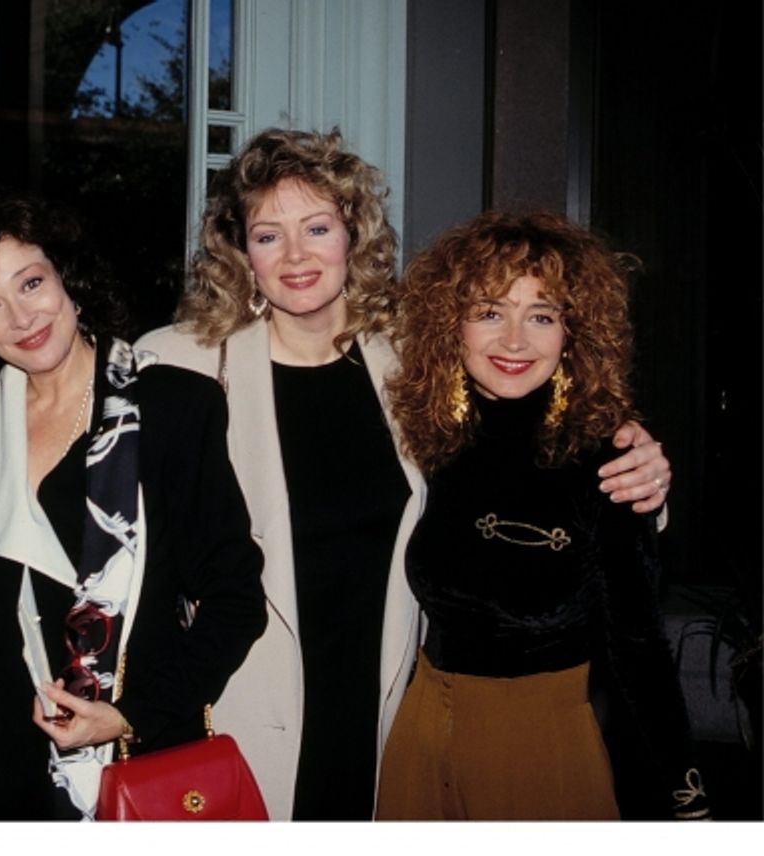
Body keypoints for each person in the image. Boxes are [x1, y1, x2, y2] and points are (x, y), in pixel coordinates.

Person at [135, 128, 674, 820]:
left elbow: (534, 441)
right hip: (238, 702)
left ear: (352, 235)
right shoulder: (180, 364)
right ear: (241, 251)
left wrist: (641, 473)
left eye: (318, 228)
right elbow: (107, 517)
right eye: (269, 235)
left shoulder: (410, 362)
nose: (296, 255)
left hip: (390, 710)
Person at [0, 191, 266, 820]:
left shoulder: (171, 407)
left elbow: (236, 602)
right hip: (0, 752)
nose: (22, 317)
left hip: (130, 754)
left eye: (31, 282)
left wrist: (127, 715)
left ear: (67, 276)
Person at [373, 210, 706, 820]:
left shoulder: (607, 458)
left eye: (542, 316)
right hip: (416, 737)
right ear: (453, 323)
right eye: (491, 312)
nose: (516, 341)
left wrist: (687, 798)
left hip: (539, 751)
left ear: (573, 332)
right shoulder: (427, 435)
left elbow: (640, 647)